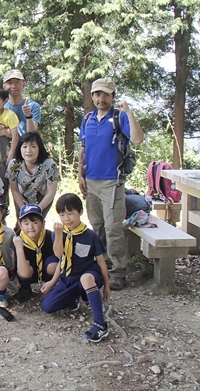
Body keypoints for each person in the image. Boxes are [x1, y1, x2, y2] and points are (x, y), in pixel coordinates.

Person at [78, 78, 144, 290]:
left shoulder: (119, 117)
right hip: (91, 179)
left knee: (113, 226)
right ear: (92, 96)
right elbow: (84, 148)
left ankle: (118, 271)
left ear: (113, 96)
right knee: (97, 225)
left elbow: (137, 139)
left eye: (106, 94)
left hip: (112, 182)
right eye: (97, 94)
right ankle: (102, 264)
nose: (101, 98)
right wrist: (80, 175)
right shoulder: (87, 118)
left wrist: (129, 113)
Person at [41, 194, 111, 343]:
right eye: (62, 214)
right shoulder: (58, 233)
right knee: (47, 306)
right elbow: (59, 256)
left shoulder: (90, 235)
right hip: (69, 278)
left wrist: (106, 286)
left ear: (80, 212)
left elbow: (101, 262)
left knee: (86, 279)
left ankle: (100, 324)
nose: (67, 218)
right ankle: (75, 298)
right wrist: (53, 282)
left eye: (71, 213)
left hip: (89, 275)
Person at [7, 131, 60, 222]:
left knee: (37, 225)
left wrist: (37, 210)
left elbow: (51, 192)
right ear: (19, 148)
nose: (28, 150)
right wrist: (24, 209)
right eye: (24, 147)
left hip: (42, 198)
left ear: (39, 148)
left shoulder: (50, 165)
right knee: (23, 224)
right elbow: (14, 189)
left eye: (33, 146)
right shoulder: (13, 164)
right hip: (21, 198)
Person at [11, 204, 59, 303]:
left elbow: (60, 257)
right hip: (30, 272)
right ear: (20, 225)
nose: (31, 227)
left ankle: (53, 286)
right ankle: (25, 289)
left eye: (35, 222)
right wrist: (19, 249)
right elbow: (19, 268)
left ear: (43, 223)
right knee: (24, 267)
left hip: (46, 270)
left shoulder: (50, 236)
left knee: (53, 265)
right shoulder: (18, 239)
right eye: (26, 223)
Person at [2, 69, 40, 136]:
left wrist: (29, 116)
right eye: (10, 83)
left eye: (17, 82)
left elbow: (32, 135)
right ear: (4, 86)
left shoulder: (33, 106)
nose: (14, 86)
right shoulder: (1, 107)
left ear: (24, 85)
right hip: (7, 146)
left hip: (26, 146)